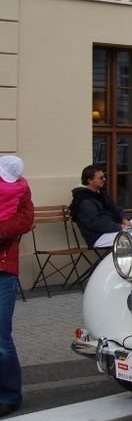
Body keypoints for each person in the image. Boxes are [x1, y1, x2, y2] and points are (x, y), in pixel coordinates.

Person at [0, 156, 34, 418]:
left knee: (0, 337)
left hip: (3, 271)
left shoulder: (21, 191)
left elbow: (23, 222)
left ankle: (10, 395)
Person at [69, 165, 132, 248]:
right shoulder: (83, 200)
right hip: (98, 237)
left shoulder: (101, 193)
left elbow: (116, 208)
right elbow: (96, 223)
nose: (104, 179)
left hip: (113, 230)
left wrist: (124, 219)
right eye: (101, 178)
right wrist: (119, 226)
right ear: (90, 180)